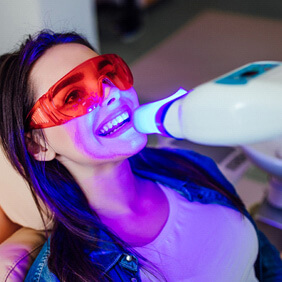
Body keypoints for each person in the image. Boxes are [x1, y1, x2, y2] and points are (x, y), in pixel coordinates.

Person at [0, 30, 281, 282]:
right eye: (73, 96)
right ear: (38, 145)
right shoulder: (67, 276)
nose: (110, 93)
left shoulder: (190, 164)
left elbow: (265, 264)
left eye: (108, 74)